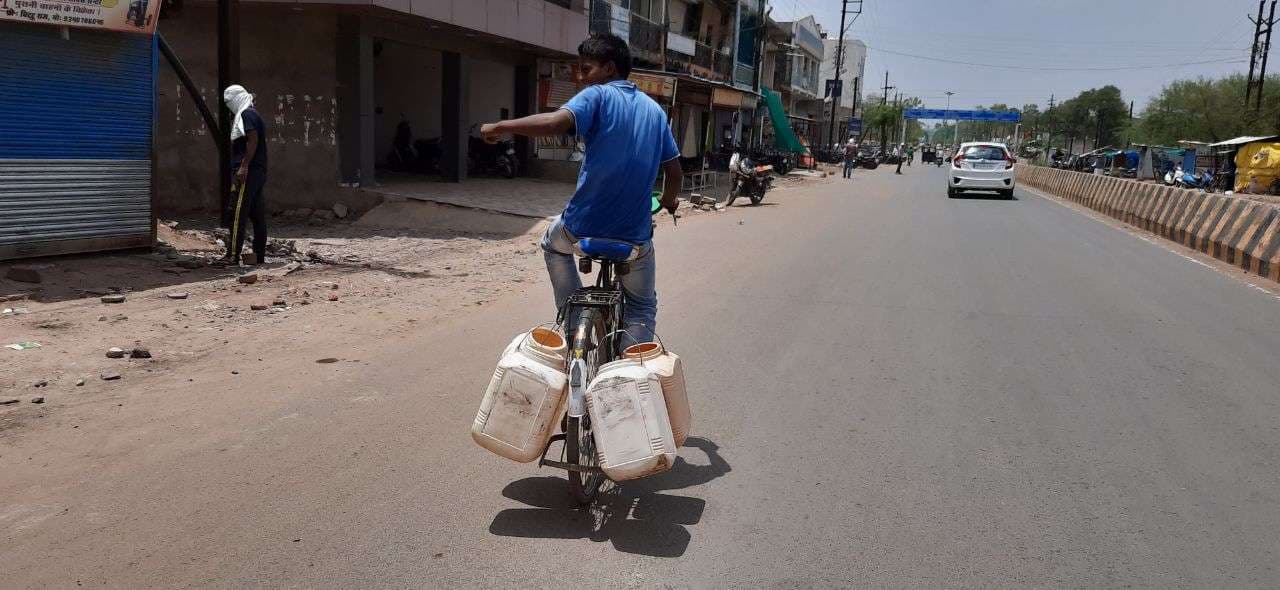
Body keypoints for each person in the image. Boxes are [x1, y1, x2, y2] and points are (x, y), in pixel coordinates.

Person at [480, 33, 681, 344]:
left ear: (609, 68)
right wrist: (668, 201)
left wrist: (501, 127)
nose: (581, 77)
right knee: (641, 306)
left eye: (586, 69)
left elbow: (554, 123)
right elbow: (674, 171)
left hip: (581, 226)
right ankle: (629, 370)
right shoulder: (656, 112)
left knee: (552, 245)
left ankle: (574, 324)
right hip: (634, 235)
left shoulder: (597, 96)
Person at [221, 84, 269, 266]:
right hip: (257, 171)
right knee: (257, 215)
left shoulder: (246, 115)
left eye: (230, 102)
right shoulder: (253, 114)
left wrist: (244, 166)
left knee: (237, 212)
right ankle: (259, 256)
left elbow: (253, 139)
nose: (229, 106)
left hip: (249, 172)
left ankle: (232, 255)